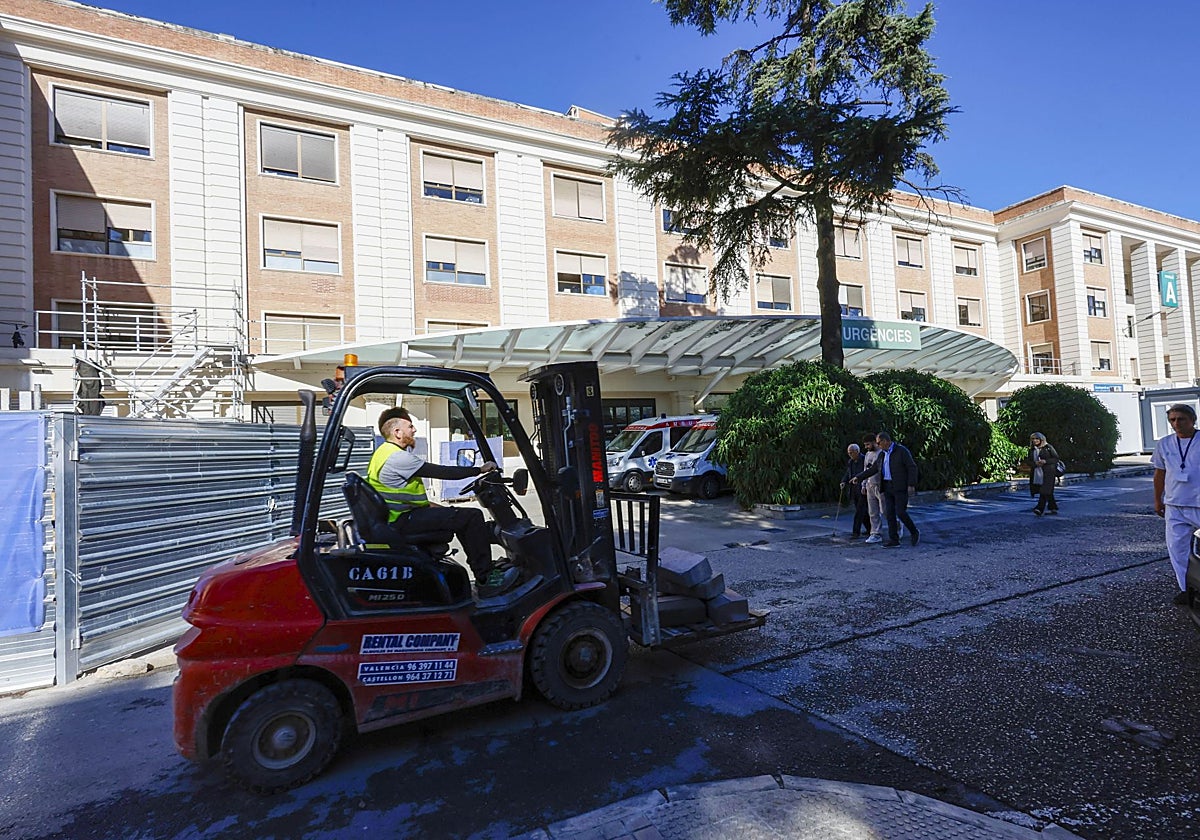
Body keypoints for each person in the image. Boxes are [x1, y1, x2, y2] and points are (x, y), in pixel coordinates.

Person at [368, 406, 520, 597]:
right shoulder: (398, 457)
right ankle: (486, 577)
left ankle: (485, 568)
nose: (414, 430)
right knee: (472, 516)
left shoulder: (382, 453)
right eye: (410, 426)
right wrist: (480, 470)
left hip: (399, 518)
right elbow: (443, 472)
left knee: (460, 516)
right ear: (397, 432)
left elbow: (399, 495)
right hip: (403, 521)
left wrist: (439, 508)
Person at [1151, 403, 1200, 606]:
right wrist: (1157, 499)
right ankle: (1186, 589)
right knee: (1176, 549)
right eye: (1172, 419)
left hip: (1199, 503)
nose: (1176, 423)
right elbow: (1159, 473)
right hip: (1175, 504)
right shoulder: (1164, 444)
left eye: (1181, 419)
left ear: (1193, 420)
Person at [853, 430, 920, 548]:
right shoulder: (882, 454)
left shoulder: (901, 451)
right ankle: (894, 539)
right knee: (889, 514)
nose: (878, 445)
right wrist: (859, 478)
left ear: (885, 441)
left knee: (900, 512)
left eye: (879, 443)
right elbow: (873, 469)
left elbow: (911, 467)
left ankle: (914, 531)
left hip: (899, 486)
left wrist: (911, 484)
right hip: (887, 486)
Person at [840, 443, 869, 539]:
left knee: (859, 511)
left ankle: (855, 532)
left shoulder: (865, 459)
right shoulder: (850, 462)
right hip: (854, 489)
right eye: (849, 453)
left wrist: (864, 485)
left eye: (851, 453)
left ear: (857, 451)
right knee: (861, 511)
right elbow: (848, 473)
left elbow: (867, 473)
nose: (850, 455)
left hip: (863, 488)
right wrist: (844, 481)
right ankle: (870, 529)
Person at [1028, 432, 1060, 516]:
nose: (1035, 440)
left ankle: (1039, 508)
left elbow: (1056, 458)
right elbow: (1029, 461)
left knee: (1044, 490)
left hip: (1048, 472)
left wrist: (1045, 461)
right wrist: (1035, 464)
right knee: (1048, 491)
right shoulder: (1032, 449)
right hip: (1037, 473)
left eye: (1037, 439)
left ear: (1041, 439)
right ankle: (1053, 507)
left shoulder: (1048, 447)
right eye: (1033, 439)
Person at [860, 436, 885, 544]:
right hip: (870, 485)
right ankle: (875, 533)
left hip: (881, 485)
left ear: (875, 443)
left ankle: (897, 526)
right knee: (873, 511)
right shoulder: (867, 455)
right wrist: (864, 484)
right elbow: (866, 469)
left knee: (885, 511)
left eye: (868, 444)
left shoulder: (882, 453)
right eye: (865, 445)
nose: (866, 447)